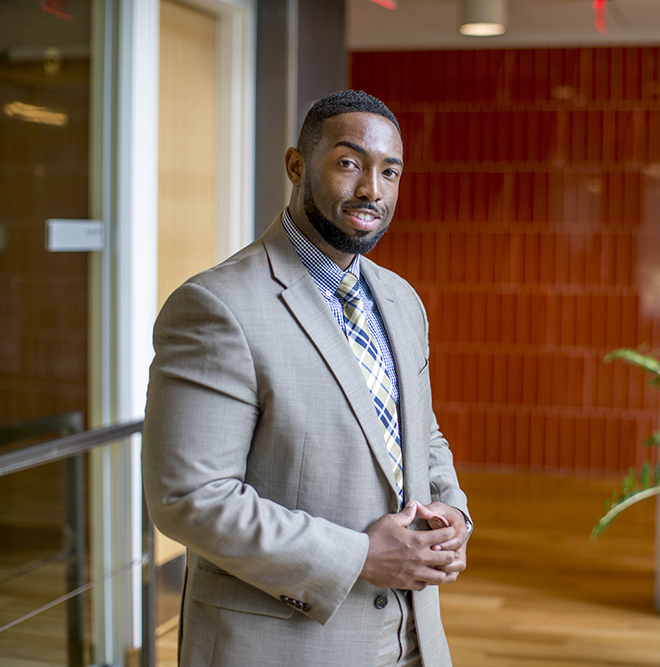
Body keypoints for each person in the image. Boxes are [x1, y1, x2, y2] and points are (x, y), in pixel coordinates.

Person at [142, 90, 472, 667]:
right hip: (281, 645)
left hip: (415, 639)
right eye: (349, 163)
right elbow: (189, 499)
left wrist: (454, 514)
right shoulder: (216, 306)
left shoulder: (400, 300)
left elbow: (422, 435)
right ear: (297, 166)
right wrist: (358, 556)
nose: (372, 188)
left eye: (389, 171)